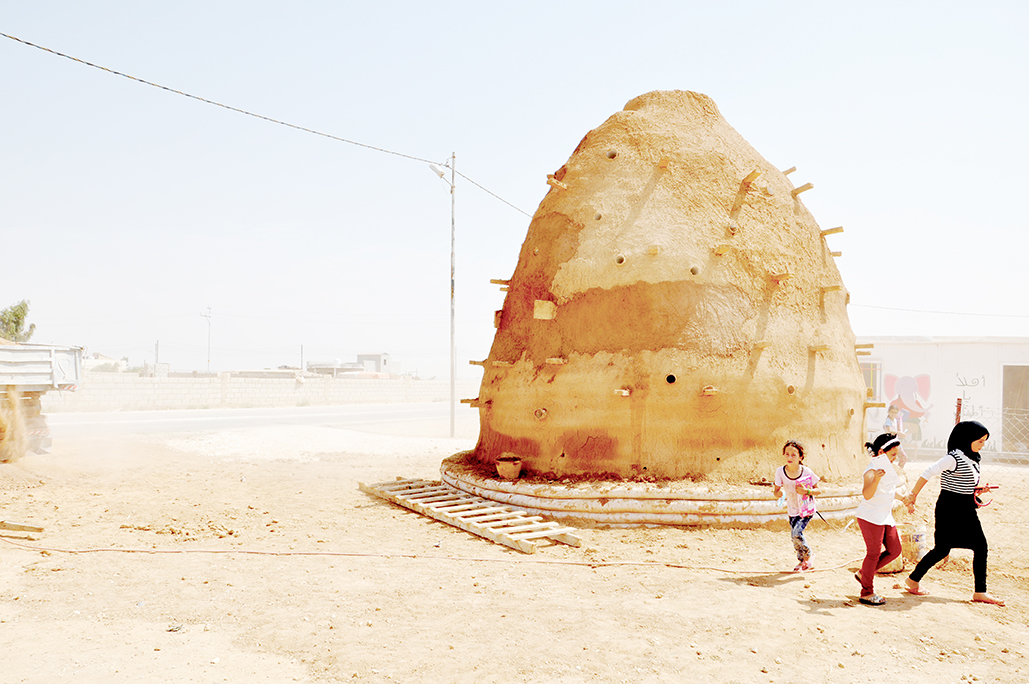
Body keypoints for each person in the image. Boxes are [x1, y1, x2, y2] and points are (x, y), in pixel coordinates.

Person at [903, 420, 1004, 606]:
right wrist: (913, 495)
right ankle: (979, 592)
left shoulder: (971, 457)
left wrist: (978, 489)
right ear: (967, 439)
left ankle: (913, 581)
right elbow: (928, 472)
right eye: (980, 441)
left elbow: (963, 483)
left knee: (969, 547)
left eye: (984, 441)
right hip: (950, 509)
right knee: (947, 548)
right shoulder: (954, 457)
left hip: (964, 506)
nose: (983, 445)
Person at [853, 433, 905, 606]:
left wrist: (904, 498)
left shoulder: (887, 467)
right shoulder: (872, 469)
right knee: (873, 553)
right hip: (870, 516)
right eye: (893, 454)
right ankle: (866, 592)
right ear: (882, 451)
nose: (895, 458)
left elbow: (889, 490)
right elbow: (867, 494)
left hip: (884, 516)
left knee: (895, 549)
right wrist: (876, 478)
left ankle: (864, 574)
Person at [772, 440, 821, 571]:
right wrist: (779, 493)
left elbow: (819, 490)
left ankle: (809, 554)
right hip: (792, 510)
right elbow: (776, 491)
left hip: (806, 510)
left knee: (796, 533)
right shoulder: (780, 472)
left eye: (793, 455)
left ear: (800, 457)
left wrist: (807, 491)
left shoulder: (807, 472)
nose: (789, 457)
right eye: (787, 454)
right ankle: (802, 561)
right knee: (794, 538)